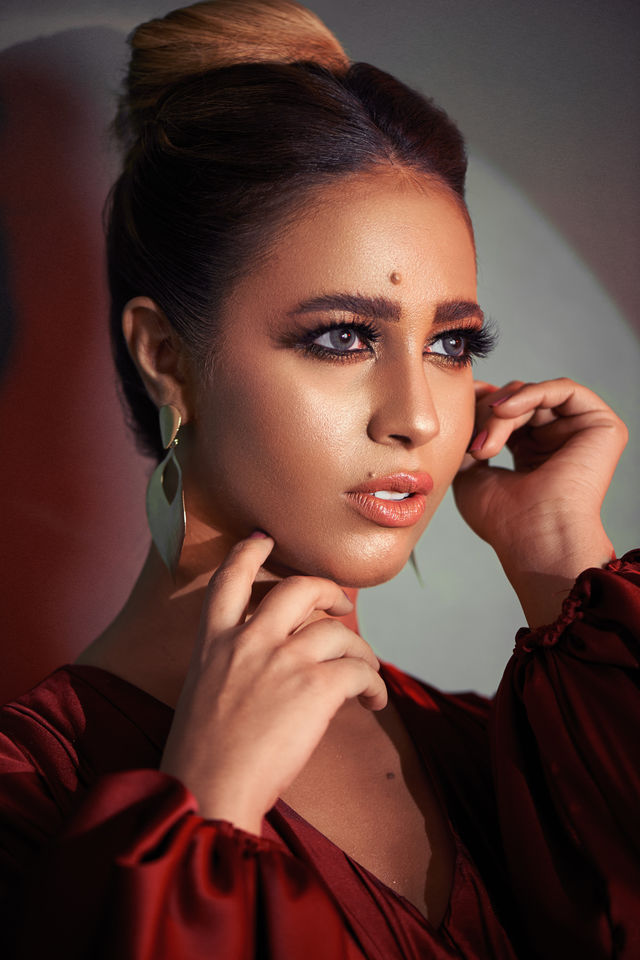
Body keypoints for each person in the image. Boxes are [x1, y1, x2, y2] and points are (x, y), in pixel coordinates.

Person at [0, 1, 637, 957]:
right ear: (167, 357)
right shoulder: (29, 793)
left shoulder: (496, 759)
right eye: (342, 338)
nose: (419, 418)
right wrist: (203, 812)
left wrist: (562, 562)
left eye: (451, 344)